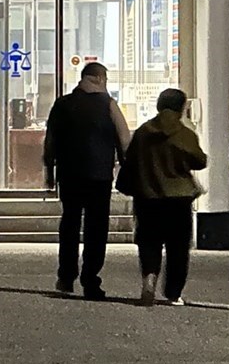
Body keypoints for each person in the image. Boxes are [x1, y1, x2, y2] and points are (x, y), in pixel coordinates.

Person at [43, 62, 130, 300]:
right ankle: (91, 280)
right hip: (99, 176)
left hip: (69, 175)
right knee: (96, 228)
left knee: (69, 224)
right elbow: (124, 139)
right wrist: (126, 165)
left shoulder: (62, 105)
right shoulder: (109, 105)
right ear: (101, 79)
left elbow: (50, 139)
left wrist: (49, 171)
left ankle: (66, 276)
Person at [116, 89, 207, 306]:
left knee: (149, 242)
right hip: (179, 199)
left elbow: (131, 161)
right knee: (178, 248)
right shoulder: (185, 134)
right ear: (181, 108)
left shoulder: (143, 132)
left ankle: (149, 278)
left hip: (148, 197)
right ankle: (173, 293)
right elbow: (200, 161)